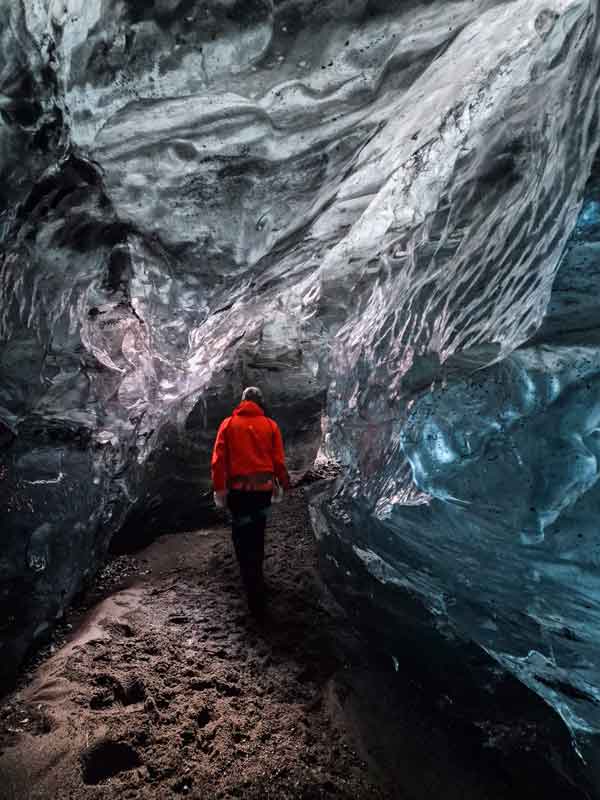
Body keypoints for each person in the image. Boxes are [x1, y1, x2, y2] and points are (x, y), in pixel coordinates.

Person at [211, 387, 290, 615]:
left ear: (243, 401)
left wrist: (219, 490)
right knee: (257, 533)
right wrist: (284, 485)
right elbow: (278, 461)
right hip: (262, 492)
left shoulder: (228, 424)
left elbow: (218, 461)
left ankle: (249, 582)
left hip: (238, 492)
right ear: (260, 402)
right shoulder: (270, 425)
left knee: (240, 535)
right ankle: (256, 579)